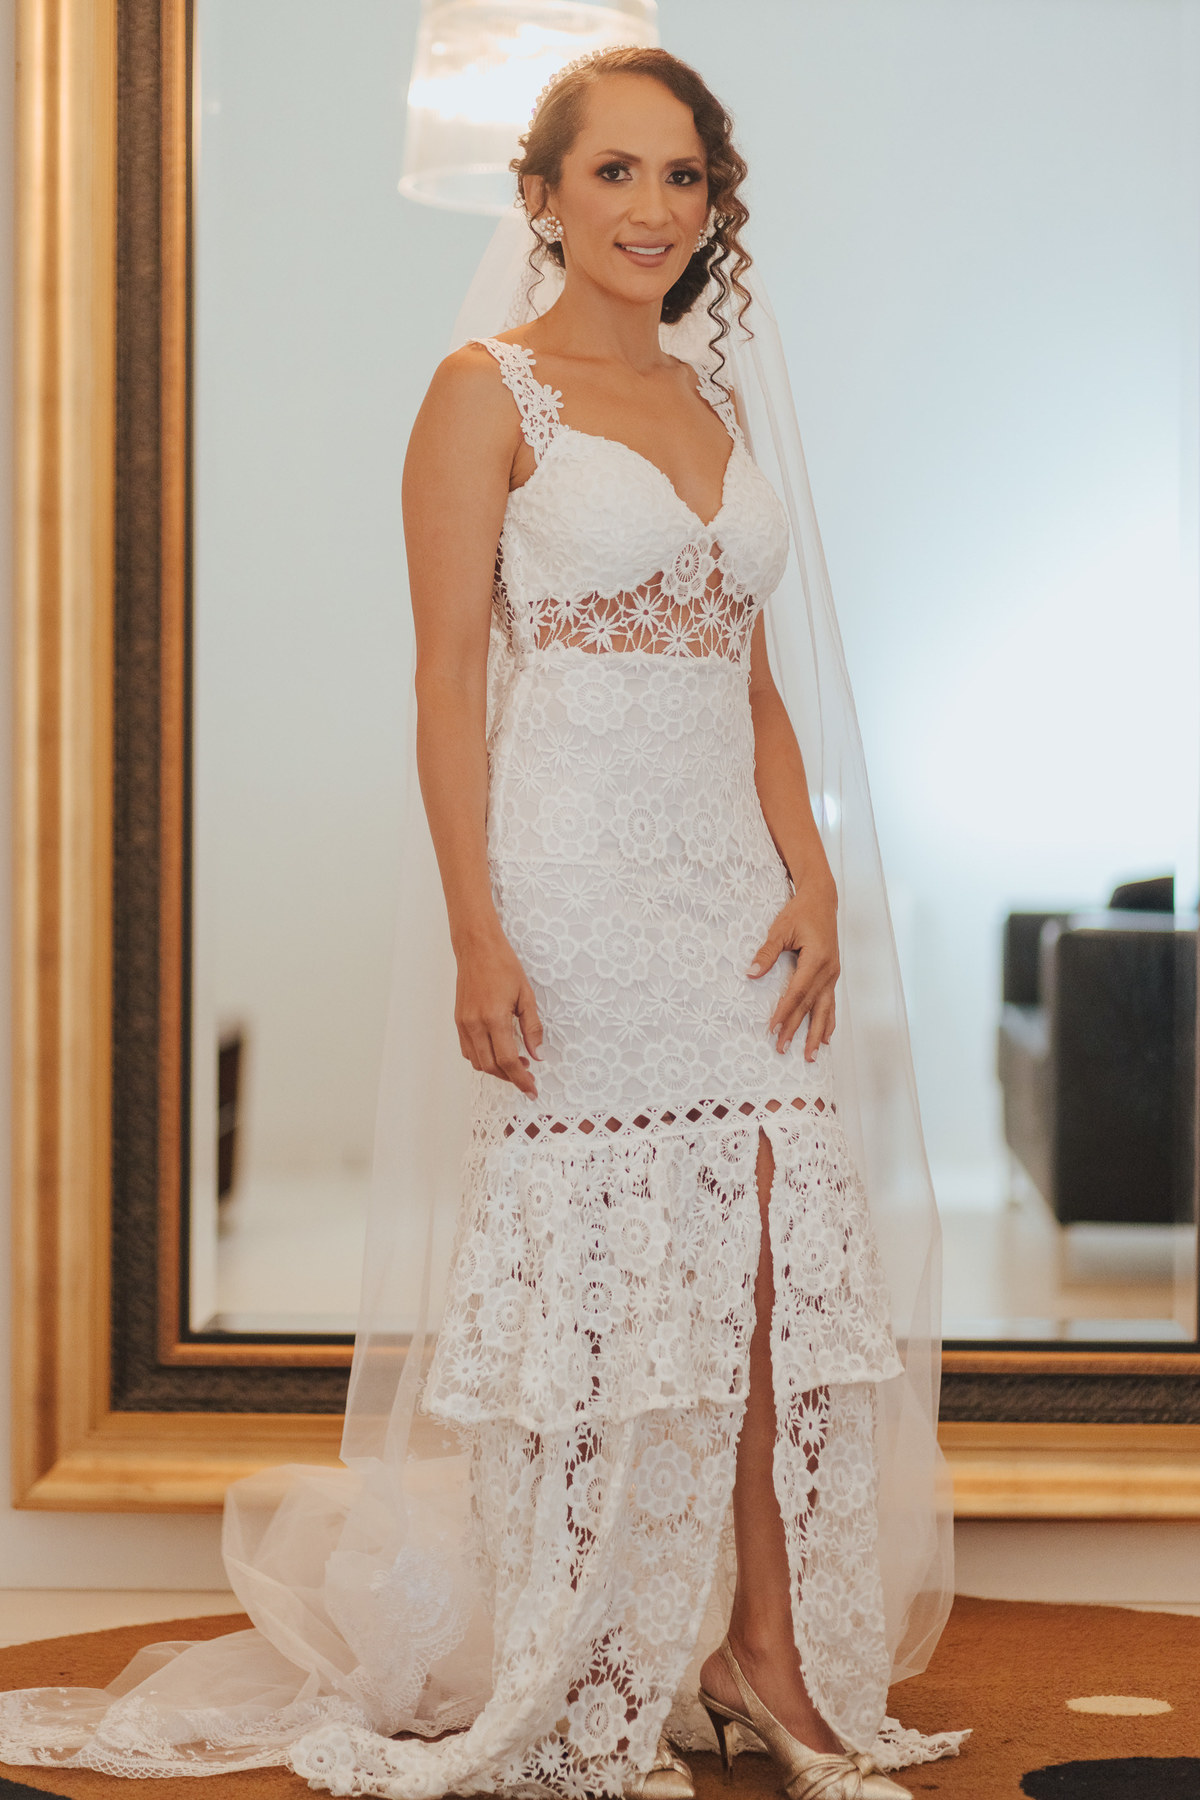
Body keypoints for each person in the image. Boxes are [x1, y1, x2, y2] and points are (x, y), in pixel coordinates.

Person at [0, 45, 967, 1800]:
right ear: (542, 195)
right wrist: (479, 933)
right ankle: (585, 1661)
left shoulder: (716, 404)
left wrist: (811, 872)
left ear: (713, 204)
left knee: (770, 1264)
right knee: (601, 1278)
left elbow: (748, 679)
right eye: (615, 172)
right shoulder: (483, 392)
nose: (654, 209)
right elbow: (448, 685)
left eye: (684, 176)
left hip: (732, 895)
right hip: (569, 878)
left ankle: (763, 1655)